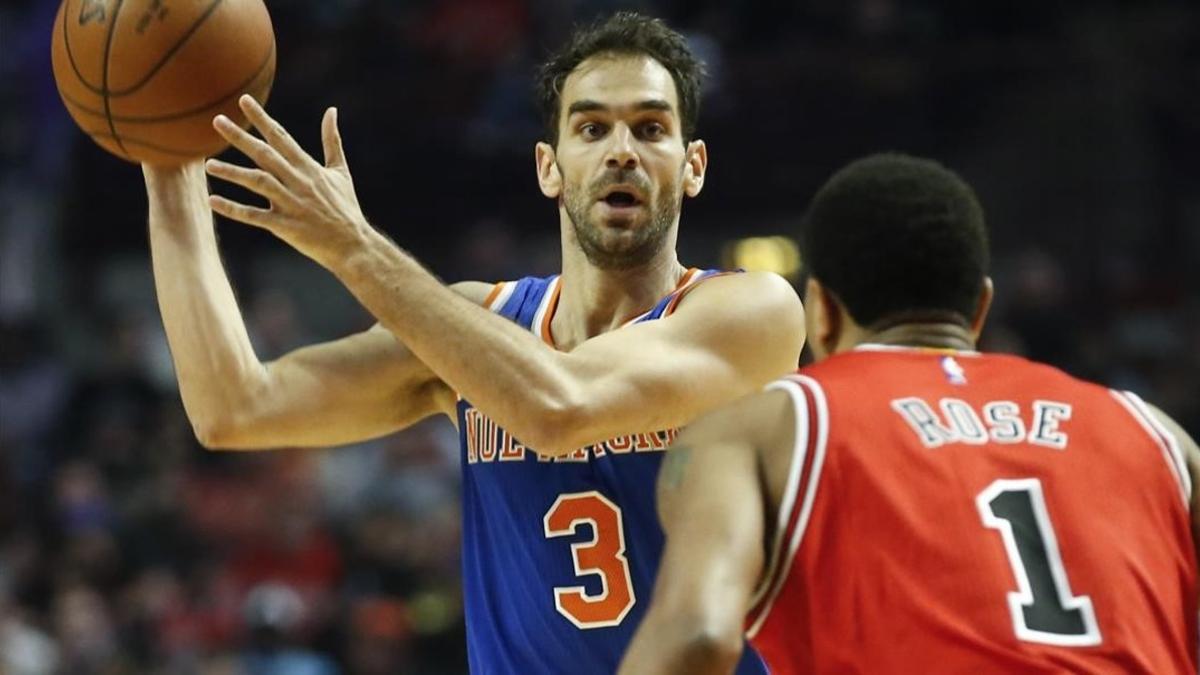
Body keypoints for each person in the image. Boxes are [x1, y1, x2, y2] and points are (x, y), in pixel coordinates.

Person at [141, 12, 803, 673]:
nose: (621, 149)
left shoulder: (750, 313)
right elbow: (234, 406)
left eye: (651, 128)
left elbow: (560, 407)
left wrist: (355, 248)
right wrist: (166, 165)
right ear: (549, 167)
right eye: (592, 127)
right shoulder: (475, 323)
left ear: (693, 166)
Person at [619, 153, 1200, 674]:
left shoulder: (761, 431)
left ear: (819, 312)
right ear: (980, 308)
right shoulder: (1157, 436)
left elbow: (697, 638)